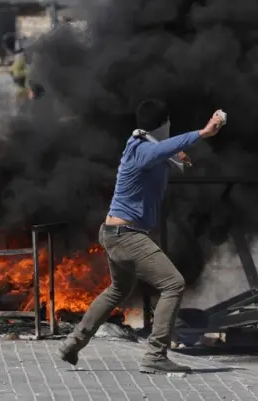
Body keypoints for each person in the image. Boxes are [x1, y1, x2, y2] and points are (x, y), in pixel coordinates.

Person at [57, 99, 225, 373]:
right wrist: (204, 133)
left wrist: (178, 157)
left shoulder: (138, 143)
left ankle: (72, 344)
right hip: (127, 236)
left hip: (114, 233)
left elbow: (163, 153)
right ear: (162, 125)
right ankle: (156, 355)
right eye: (168, 123)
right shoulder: (143, 151)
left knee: (117, 291)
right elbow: (159, 151)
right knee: (173, 284)